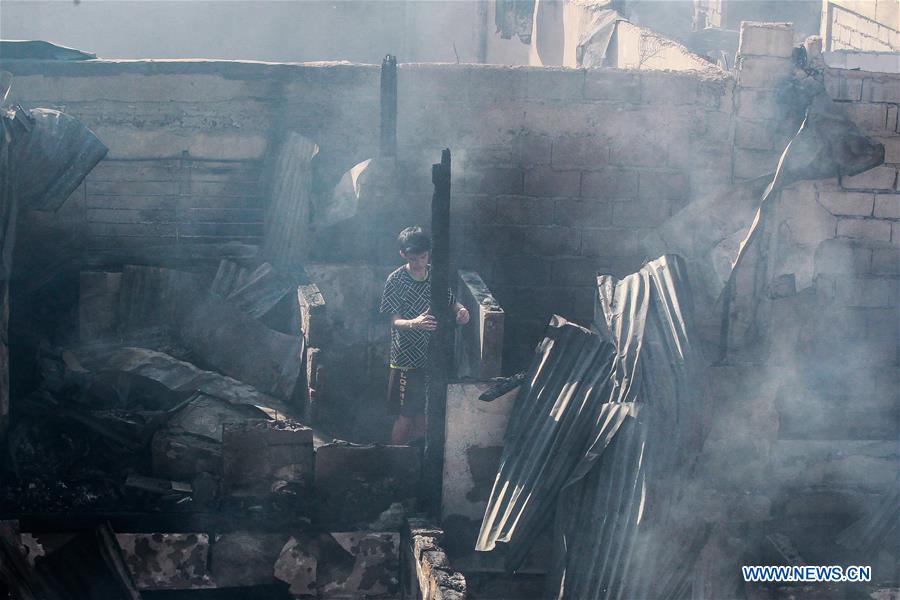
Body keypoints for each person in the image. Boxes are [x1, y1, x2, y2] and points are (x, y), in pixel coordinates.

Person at [380, 226, 469, 445]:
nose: (419, 263)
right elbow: (393, 321)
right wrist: (414, 323)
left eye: (423, 257)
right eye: (413, 258)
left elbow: (451, 302)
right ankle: (397, 459)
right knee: (405, 416)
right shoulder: (396, 280)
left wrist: (461, 310)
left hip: (431, 357)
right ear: (403, 255)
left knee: (423, 414)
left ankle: (417, 460)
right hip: (406, 360)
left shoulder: (435, 276)